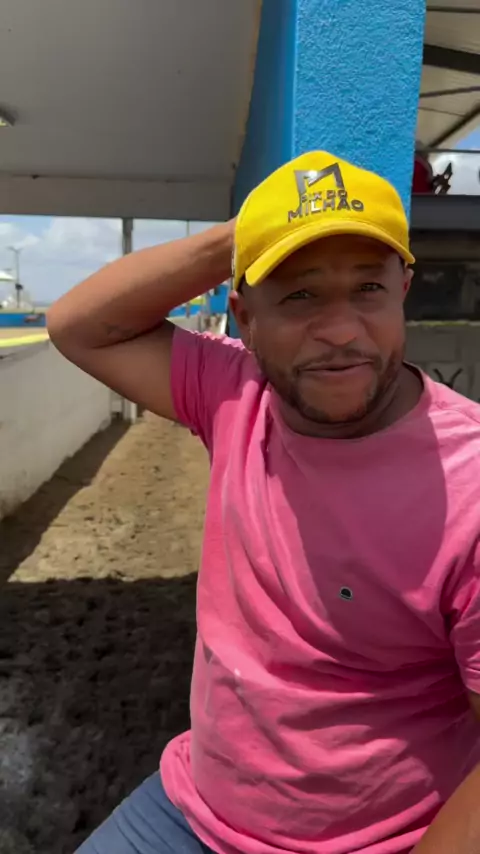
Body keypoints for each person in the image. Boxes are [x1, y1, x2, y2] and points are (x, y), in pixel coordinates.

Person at [47, 151, 480, 854]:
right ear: (244, 318)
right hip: (192, 810)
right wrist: (251, 229)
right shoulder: (235, 395)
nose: (341, 331)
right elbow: (78, 324)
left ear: (405, 290)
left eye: (368, 288)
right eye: (300, 296)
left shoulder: (470, 483)